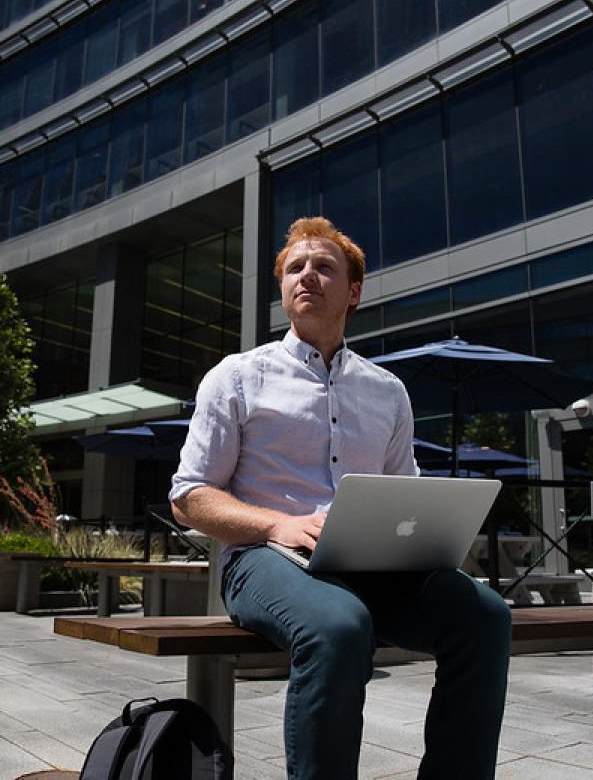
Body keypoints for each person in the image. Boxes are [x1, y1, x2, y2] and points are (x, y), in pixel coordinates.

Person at [170, 216, 511, 779]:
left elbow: (406, 495)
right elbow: (189, 497)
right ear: (283, 291)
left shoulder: (386, 391)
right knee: (339, 627)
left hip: (371, 566)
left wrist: (424, 536)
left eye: (324, 266)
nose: (307, 275)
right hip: (264, 558)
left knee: (485, 616)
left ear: (353, 291)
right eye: (295, 268)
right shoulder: (236, 377)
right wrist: (277, 525)